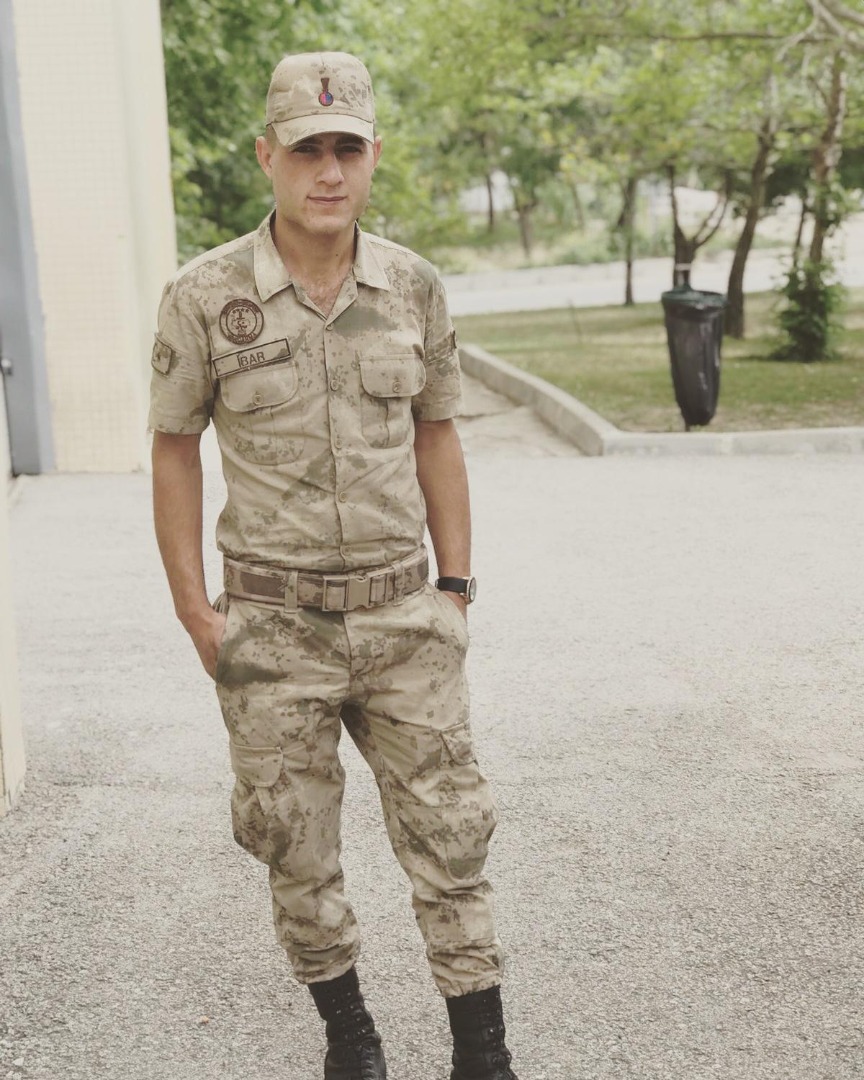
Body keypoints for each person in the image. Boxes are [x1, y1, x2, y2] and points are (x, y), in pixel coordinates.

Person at [150, 51, 518, 1080]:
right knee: (296, 850)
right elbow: (174, 450)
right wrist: (197, 614)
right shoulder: (204, 295)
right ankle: (351, 1040)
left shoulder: (412, 286)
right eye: (306, 148)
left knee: (452, 838)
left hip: (404, 616)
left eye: (346, 149)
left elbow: (438, 433)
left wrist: (455, 589)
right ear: (266, 155)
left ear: (373, 156)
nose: (327, 170)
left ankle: (483, 1052)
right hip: (272, 627)